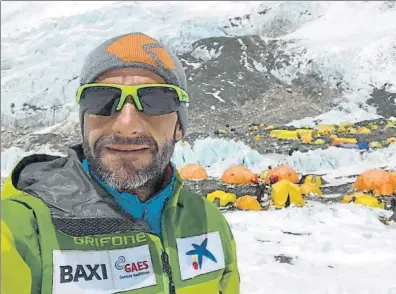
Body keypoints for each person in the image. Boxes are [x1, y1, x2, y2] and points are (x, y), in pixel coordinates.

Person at [1, 32, 240, 294]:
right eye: (102, 99)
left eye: (156, 100)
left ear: (179, 126)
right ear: (84, 120)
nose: (127, 125)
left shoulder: (209, 223)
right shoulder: (23, 226)